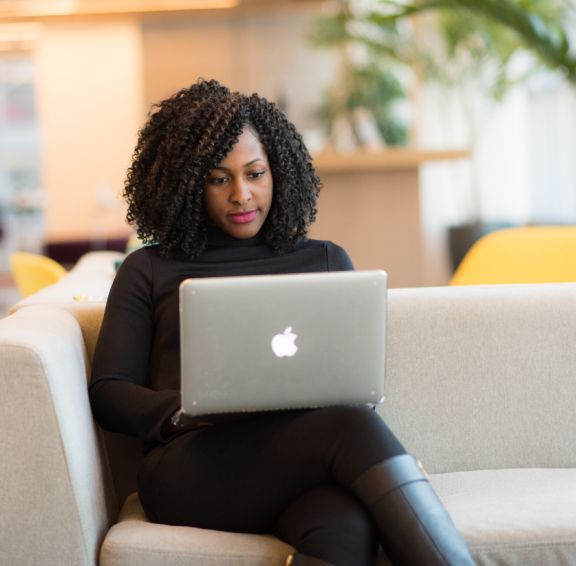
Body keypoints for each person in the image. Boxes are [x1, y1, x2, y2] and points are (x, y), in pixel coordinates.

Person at [89, 79, 475, 566]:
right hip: (191, 465)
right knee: (351, 428)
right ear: (187, 184)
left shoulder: (327, 260)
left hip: (302, 457)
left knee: (344, 524)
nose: (241, 194)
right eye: (218, 179)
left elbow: (352, 377)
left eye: (255, 173)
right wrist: (187, 410)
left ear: (279, 171)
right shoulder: (149, 268)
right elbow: (108, 390)